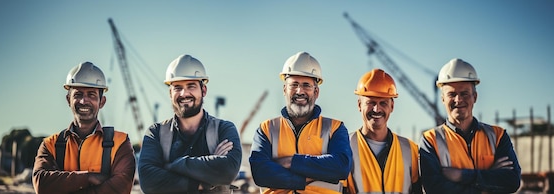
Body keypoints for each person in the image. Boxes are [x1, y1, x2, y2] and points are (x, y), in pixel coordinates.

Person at [249, 51, 353, 194]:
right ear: (285, 89)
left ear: (316, 92)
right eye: (294, 84)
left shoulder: (335, 128)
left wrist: (291, 161)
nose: (300, 91)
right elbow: (261, 173)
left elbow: (341, 167)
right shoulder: (267, 129)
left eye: (306, 85)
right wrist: (306, 179)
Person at [138, 54, 241, 193]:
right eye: (177, 87)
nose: (184, 93)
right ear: (170, 93)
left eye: (191, 86)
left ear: (203, 90)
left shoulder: (223, 129)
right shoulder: (155, 133)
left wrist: (172, 166)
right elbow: (148, 181)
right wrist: (203, 181)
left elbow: (227, 171)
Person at [419, 58, 521, 193]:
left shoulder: (497, 136)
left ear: (475, 97)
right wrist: (487, 181)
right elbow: (435, 189)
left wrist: (462, 175)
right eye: (452, 94)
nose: (458, 99)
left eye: (464, 93)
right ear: (443, 99)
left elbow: (512, 181)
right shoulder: (430, 140)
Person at [32, 62, 136, 194]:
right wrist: (88, 178)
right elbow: (41, 184)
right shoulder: (50, 144)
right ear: (68, 99)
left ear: (102, 102)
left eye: (91, 94)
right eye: (78, 94)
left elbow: (119, 188)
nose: (83, 101)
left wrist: (64, 184)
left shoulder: (120, 142)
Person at [345, 69, 422, 194]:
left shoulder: (410, 150)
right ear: (359, 105)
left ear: (392, 106)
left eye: (383, 103)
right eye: (371, 103)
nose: (376, 109)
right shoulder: (345, 147)